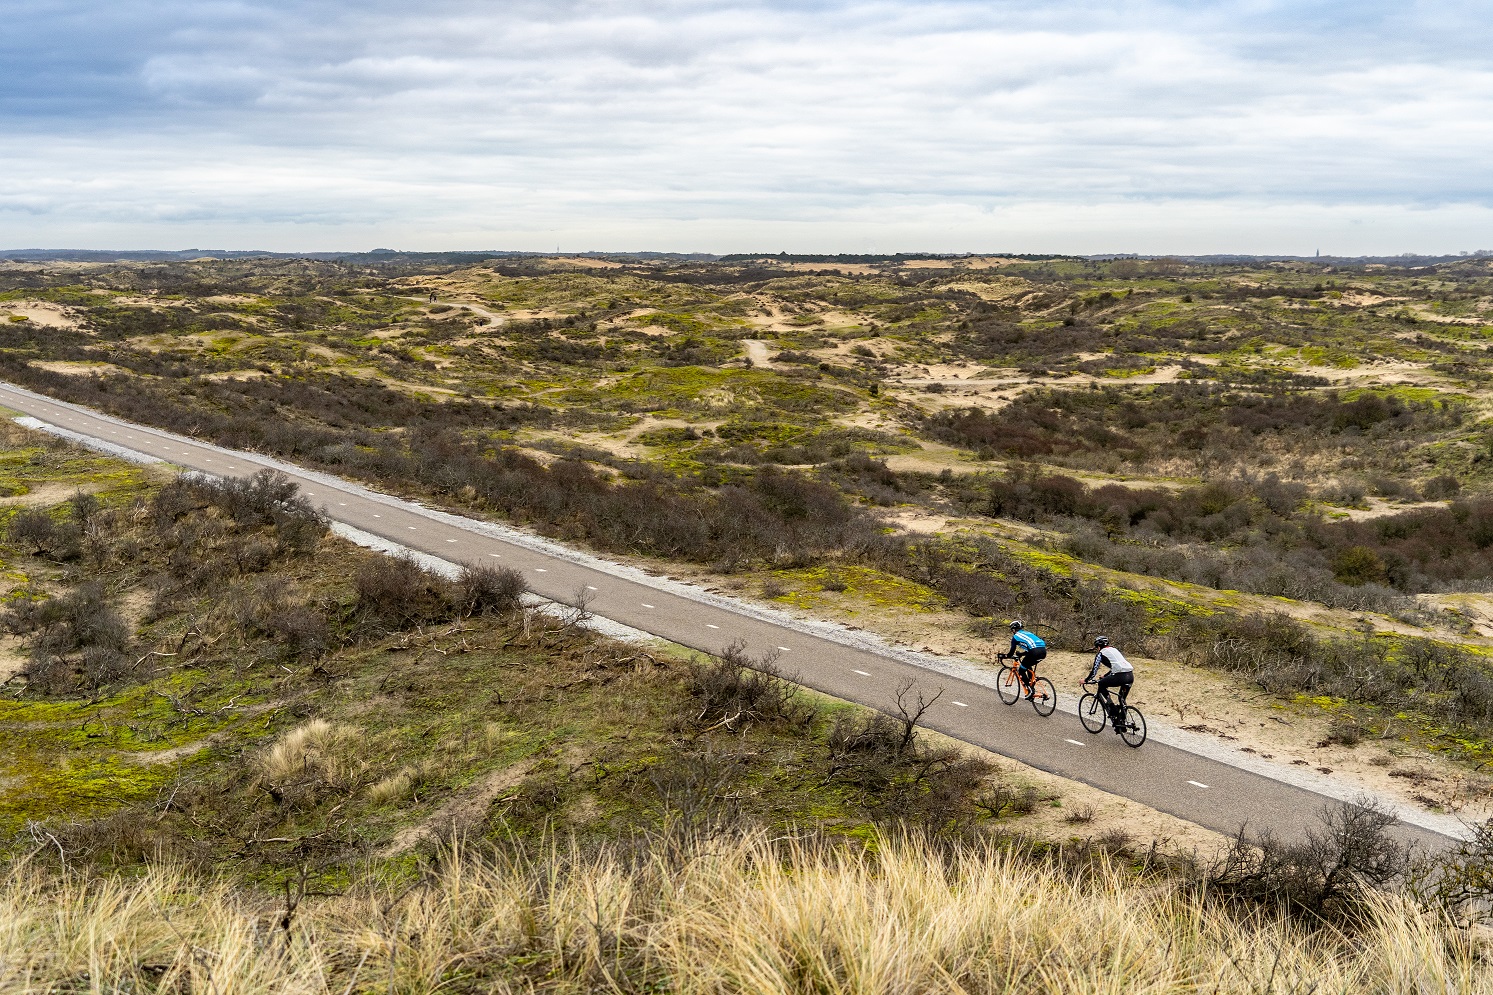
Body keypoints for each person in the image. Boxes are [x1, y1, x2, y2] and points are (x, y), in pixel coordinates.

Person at [1084, 636, 1134, 733]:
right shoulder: (1114, 650)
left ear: (1098, 647)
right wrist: (1106, 675)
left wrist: (1086, 680)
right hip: (1130, 675)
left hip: (1120, 676)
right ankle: (1122, 723)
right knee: (1122, 699)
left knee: (1101, 684)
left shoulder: (1101, 654)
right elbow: (1117, 665)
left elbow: (1094, 671)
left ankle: (1112, 708)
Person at [1003, 620, 1046, 700]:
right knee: (1027, 665)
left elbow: (1011, 652)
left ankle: (1030, 690)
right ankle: (1031, 683)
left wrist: (1005, 656)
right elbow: (1033, 647)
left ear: (1013, 629)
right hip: (1043, 651)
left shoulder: (1015, 637)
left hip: (1034, 652)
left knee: (1021, 670)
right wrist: (1022, 654)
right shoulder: (1028, 633)